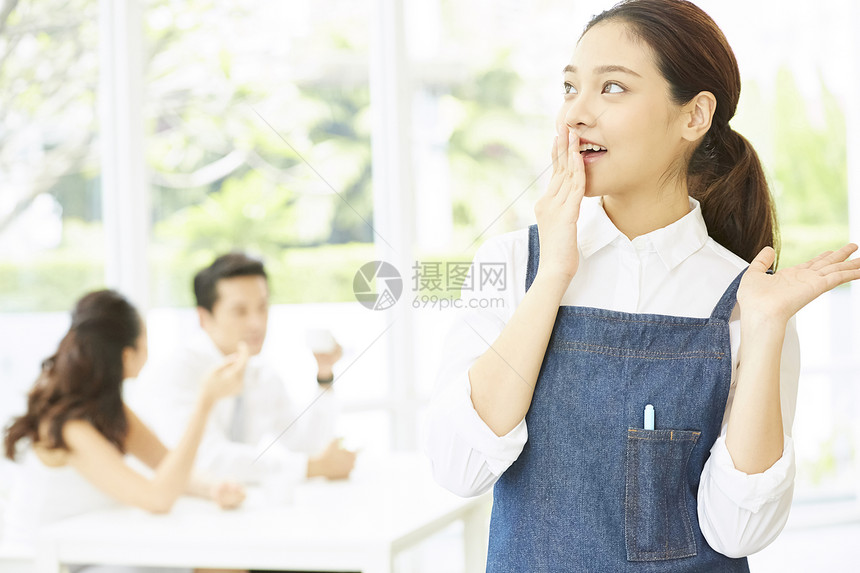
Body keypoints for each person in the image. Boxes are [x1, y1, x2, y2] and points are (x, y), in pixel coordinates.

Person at [424, 1, 860, 571]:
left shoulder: (749, 300)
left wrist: (766, 327)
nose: (576, 115)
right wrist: (553, 273)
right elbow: (460, 469)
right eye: (569, 87)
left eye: (612, 89)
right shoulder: (514, 265)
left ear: (694, 116)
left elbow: (737, 532)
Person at [2, 289, 248, 571]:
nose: (150, 350)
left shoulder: (107, 410)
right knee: (207, 563)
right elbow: (158, 498)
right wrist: (205, 403)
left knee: (218, 562)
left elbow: (166, 465)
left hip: (89, 553)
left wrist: (213, 488)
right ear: (127, 355)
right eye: (146, 341)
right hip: (48, 564)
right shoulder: (69, 428)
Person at [134, 252, 356, 495]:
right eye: (240, 311)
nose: (257, 323)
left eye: (262, 307)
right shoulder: (176, 371)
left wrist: (324, 374)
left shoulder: (262, 373)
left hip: (232, 509)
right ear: (204, 318)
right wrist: (311, 468)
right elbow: (207, 460)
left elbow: (306, 444)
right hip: (171, 511)